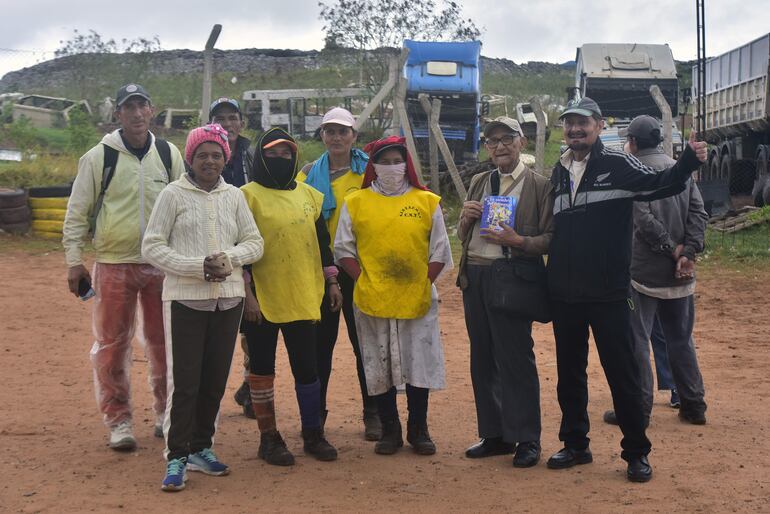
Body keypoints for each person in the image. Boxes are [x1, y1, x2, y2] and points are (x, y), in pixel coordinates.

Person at [546, 97, 707, 482]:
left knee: (624, 375)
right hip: (565, 294)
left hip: (610, 294)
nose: (575, 130)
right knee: (570, 374)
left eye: (582, 123)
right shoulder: (558, 170)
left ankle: (636, 452)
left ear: (599, 125)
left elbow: (659, 184)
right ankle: (575, 444)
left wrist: (687, 161)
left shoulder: (619, 163)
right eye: (569, 123)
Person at [142, 123, 264, 491]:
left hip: (228, 301)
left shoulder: (234, 196)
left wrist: (229, 257)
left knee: (214, 380)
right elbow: (152, 246)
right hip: (185, 301)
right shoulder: (172, 195)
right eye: (202, 155)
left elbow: (255, 242)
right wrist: (197, 267)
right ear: (190, 159)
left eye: (216, 155)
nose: (209, 161)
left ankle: (202, 447)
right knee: (186, 383)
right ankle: (176, 455)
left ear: (225, 159)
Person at [62, 83, 185, 450]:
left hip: (161, 264)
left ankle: (167, 413)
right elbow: (77, 212)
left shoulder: (168, 154)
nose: (135, 113)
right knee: (112, 345)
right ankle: (119, 421)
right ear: (118, 114)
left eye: (141, 106)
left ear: (152, 111)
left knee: (165, 344)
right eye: (128, 107)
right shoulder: (99, 157)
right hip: (114, 264)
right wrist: (74, 260)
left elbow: (185, 204)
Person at [335, 136, 453, 456]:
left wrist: (421, 284)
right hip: (373, 296)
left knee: (418, 360)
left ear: (407, 164)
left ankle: (419, 429)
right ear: (372, 166)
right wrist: (366, 280)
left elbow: (440, 249)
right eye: (383, 162)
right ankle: (390, 429)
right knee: (379, 361)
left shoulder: (426, 201)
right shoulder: (356, 202)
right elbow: (343, 248)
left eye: (396, 161)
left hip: (417, 296)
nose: (390, 167)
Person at [241, 128, 342, 466]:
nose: (281, 159)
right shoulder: (245, 196)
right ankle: (268, 438)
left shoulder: (310, 196)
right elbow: (238, 250)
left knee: (307, 369)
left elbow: (322, 246)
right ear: (260, 156)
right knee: (262, 368)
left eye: (287, 154)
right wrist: (247, 293)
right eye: (273, 153)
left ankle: (313, 434)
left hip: (302, 294)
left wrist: (332, 283)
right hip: (261, 299)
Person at [456, 117, 554, 467]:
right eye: (492, 140)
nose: (499, 146)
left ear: (522, 142)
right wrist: (465, 219)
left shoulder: (540, 186)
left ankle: (527, 437)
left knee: (515, 358)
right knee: (482, 358)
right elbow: (461, 235)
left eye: (506, 139)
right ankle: (494, 434)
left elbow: (551, 238)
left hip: (512, 277)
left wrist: (519, 241)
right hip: (476, 276)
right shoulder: (481, 180)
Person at [602, 115, 708, 427]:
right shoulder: (681, 169)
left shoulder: (635, 171)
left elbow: (643, 218)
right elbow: (699, 212)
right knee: (680, 340)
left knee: (636, 342)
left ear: (632, 142)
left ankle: (638, 410)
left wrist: (670, 248)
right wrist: (687, 252)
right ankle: (694, 404)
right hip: (681, 275)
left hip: (643, 275)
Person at [297, 107, 380, 440]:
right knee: (320, 346)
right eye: (329, 132)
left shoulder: (368, 174)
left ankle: (372, 412)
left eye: (342, 131)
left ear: (354, 136)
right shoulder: (306, 174)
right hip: (319, 269)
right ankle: (316, 413)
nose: (336, 137)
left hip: (359, 269)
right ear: (322, 136)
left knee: (365, 345)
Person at [207, 97, 256, 418]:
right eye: (220, 118)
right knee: (218, 321)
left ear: (241, 122)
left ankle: (252, 387)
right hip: (214, 247)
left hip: (250, 244)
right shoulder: (202, 153)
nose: (227, 124)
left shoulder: (253, 154)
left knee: (253, 323)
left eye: (233, 117)